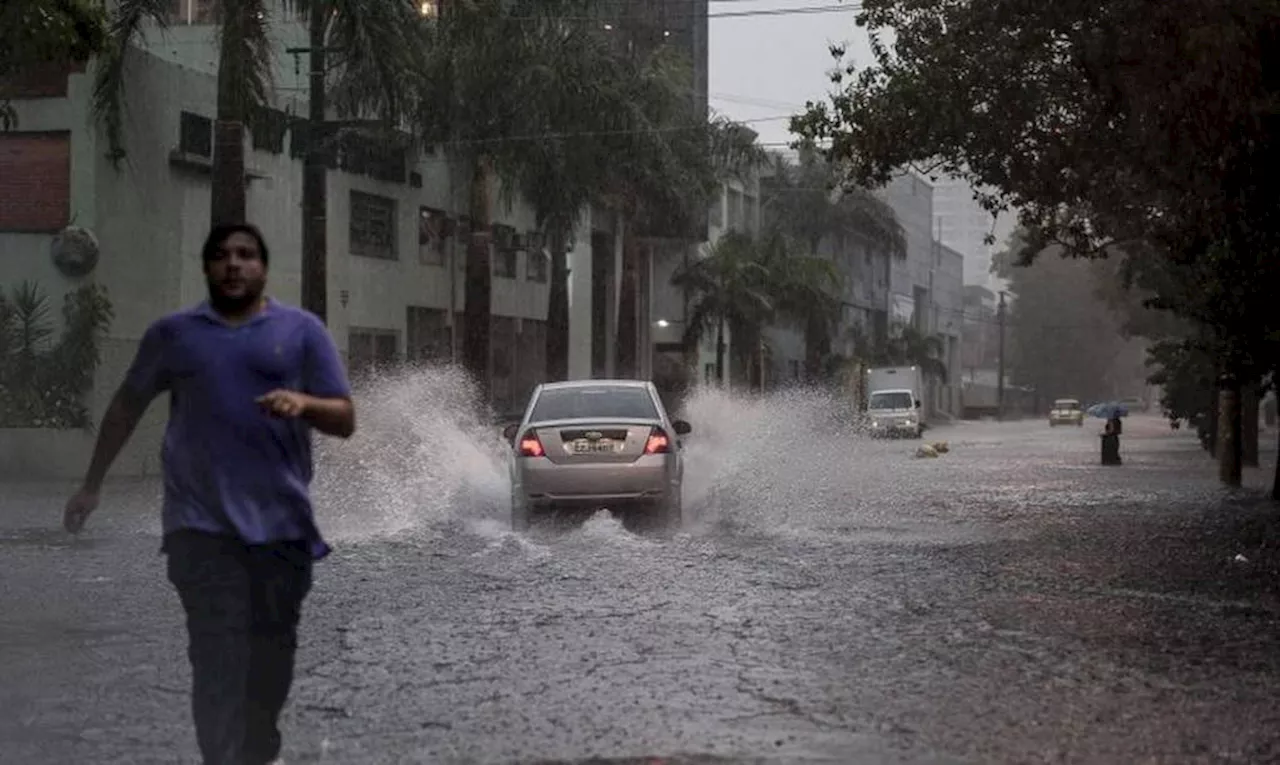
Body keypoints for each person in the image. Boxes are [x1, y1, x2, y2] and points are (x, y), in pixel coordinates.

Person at [62, 223, 356, 765]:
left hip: (282, 532)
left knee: (268, 669)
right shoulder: (174, 335)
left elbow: (345, 418)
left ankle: (257, 747)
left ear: (263, 268)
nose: (233, 264)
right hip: (199, 531)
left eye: (245, 255)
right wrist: (92, 484)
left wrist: (303, 404)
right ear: (207, 268)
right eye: (221, 256)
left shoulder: (302, 332)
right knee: (217, 658)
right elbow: (127, 406)